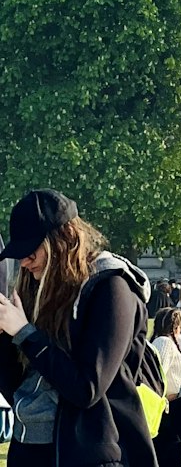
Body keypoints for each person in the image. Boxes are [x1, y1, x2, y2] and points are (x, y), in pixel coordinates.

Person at [0, 187, 158, 467]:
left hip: (92, 449)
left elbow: (88, 388)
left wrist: (25, 333)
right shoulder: (36, 285)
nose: (24, 262)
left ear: (64, 239)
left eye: (30, 251)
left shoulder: (110, 287)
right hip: (30, 446)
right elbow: (17, 385)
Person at [152, 307, 181, 399]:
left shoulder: (167, 343)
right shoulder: (164, 342)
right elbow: (158, 376)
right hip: (177, 399)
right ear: (176, 327)